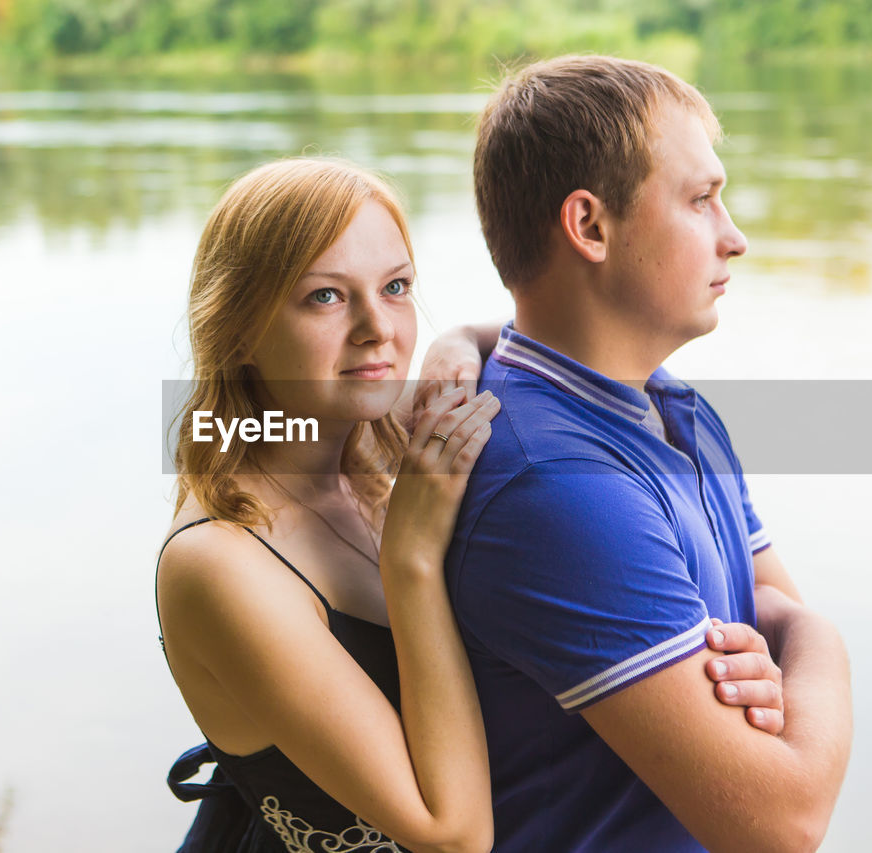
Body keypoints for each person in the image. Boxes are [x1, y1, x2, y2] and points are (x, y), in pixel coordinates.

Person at [157, 156, 797, 853]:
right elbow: (453, 834)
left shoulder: (379, 440)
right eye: (325, 297)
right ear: (241, 327)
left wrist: (457, 341)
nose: (378, 328)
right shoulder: (219, 561)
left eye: (396, 287)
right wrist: (413, 561)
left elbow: (556, 332)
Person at [438, 55, 854, 852]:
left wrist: (783, 636)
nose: (735, 238)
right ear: (589, 226)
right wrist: (822, 640)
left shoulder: (667, 403)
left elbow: (769, 600)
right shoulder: (555, 486)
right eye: (701, 201)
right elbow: (782, 819)